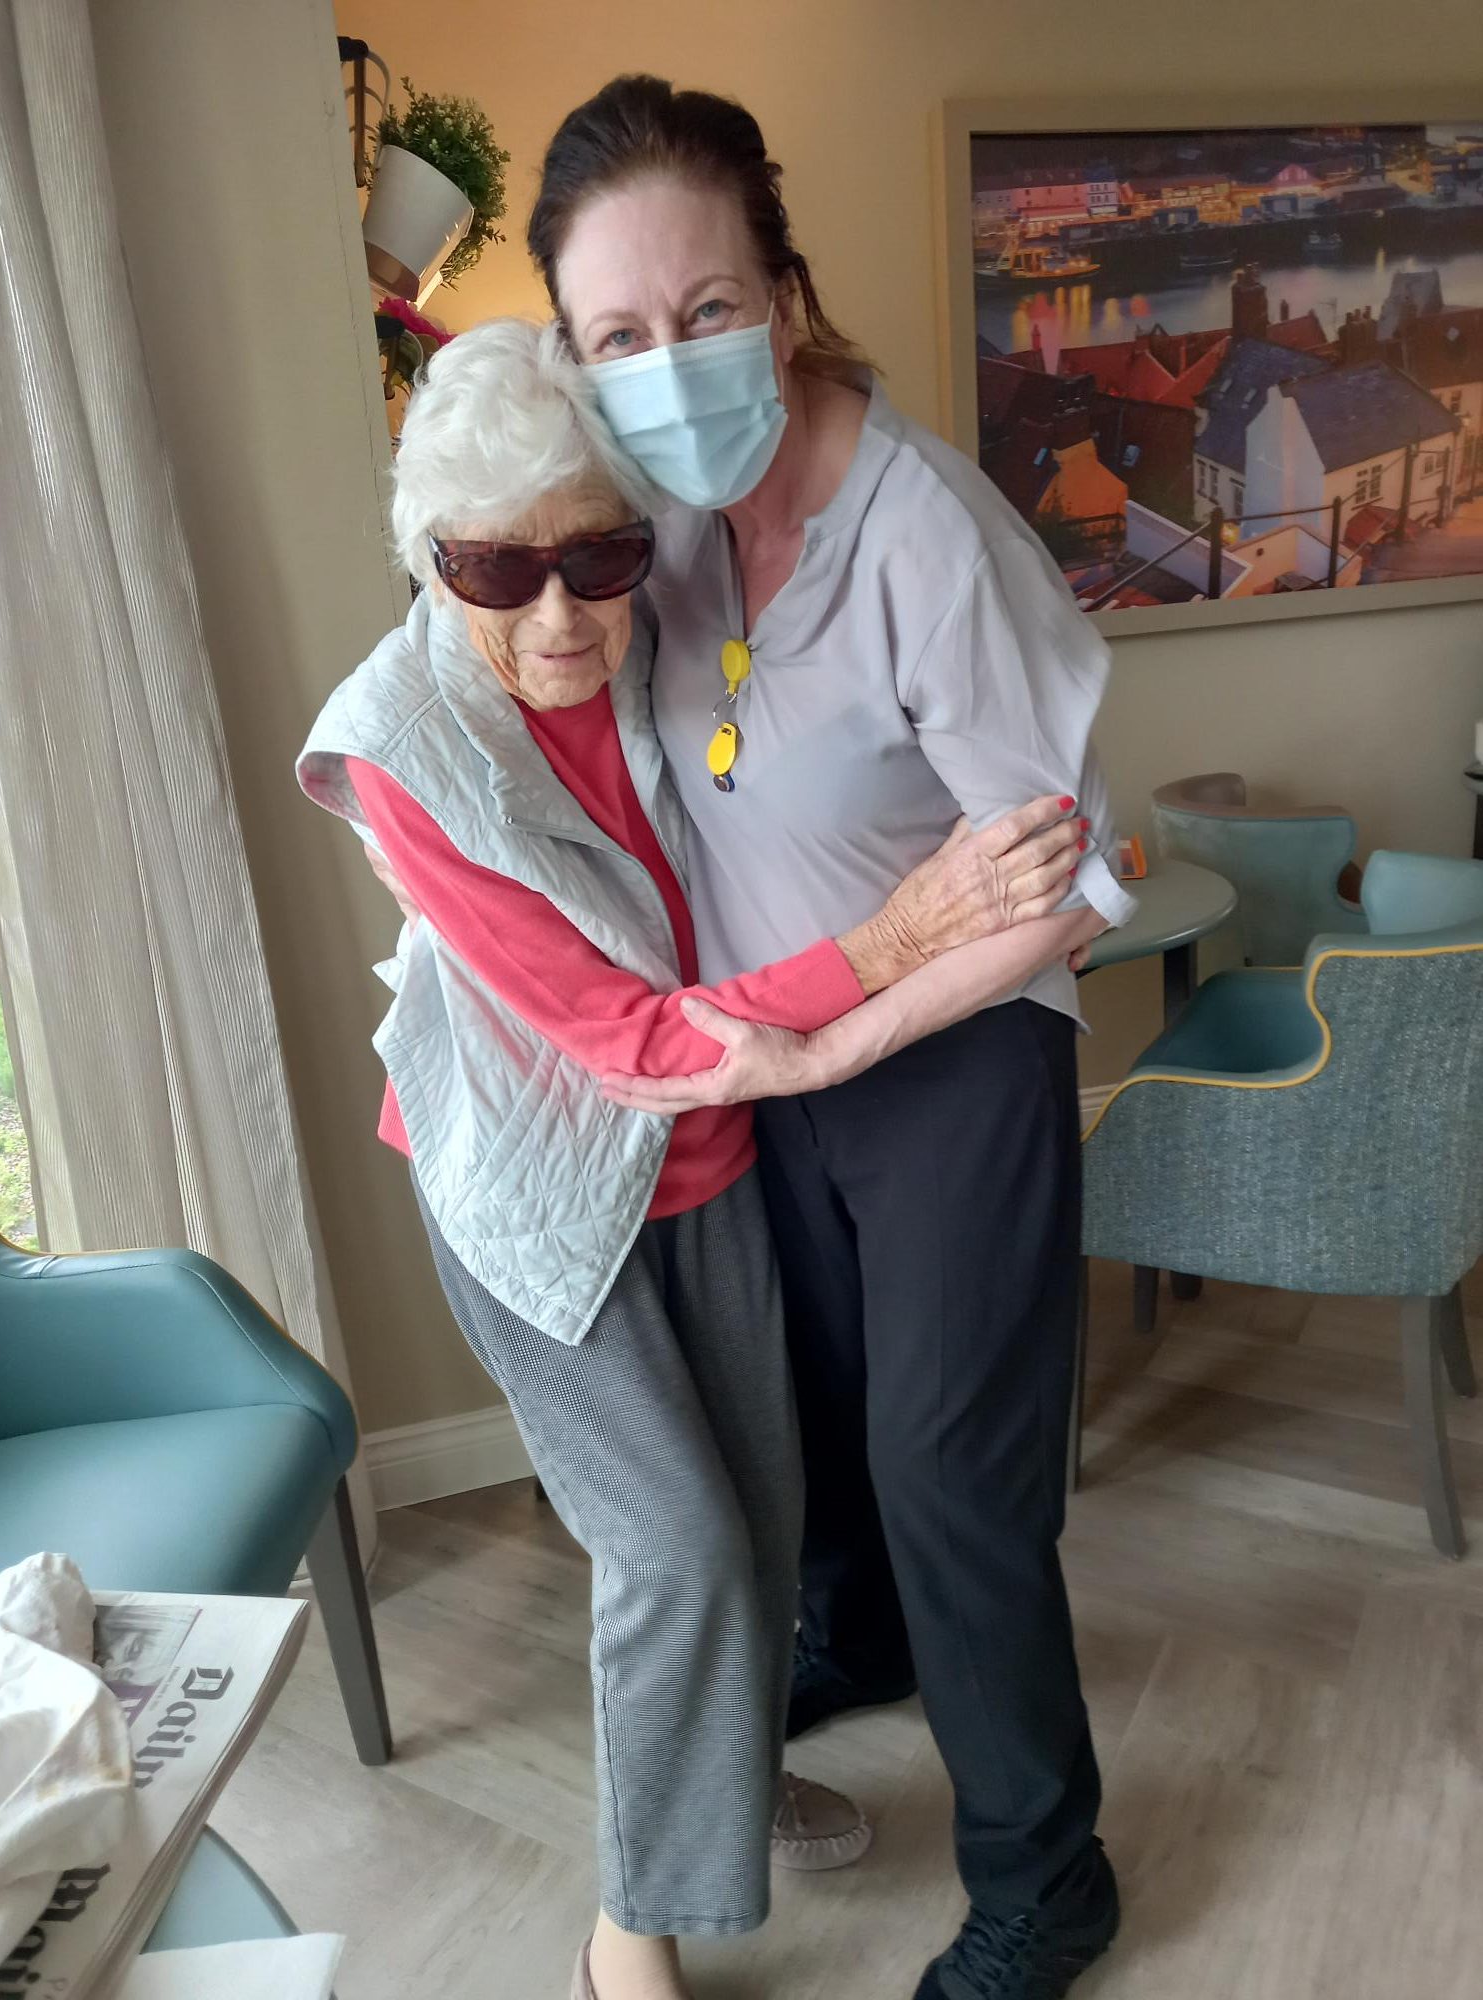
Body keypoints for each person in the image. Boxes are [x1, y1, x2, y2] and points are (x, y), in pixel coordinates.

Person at [298, 319, 1091, 2000]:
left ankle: (712, 1797)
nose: (559, 616)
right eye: (495, 569)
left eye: (596, 554)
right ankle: (626, 1943)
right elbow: (624, 1039)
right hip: (539, 1193)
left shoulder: (669, 629)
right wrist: (896, 939)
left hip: (716, 1154)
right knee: (675, 1553)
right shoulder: (400, 748)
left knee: (769, 1516)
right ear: (430, 563)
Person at [518, 76, 1139, 2000]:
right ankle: (856, 1639)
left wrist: (840, 1041)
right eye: (619, 335)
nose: (668, 362)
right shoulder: (652, 531)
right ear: (576, 363)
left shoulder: (923, 538)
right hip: (774, 1053)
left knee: (954, 1472)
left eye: (706, 311)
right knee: (818, 1423)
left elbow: (1071, 881)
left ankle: (1047, 1874)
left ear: (783, 301)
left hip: (950, 1059)